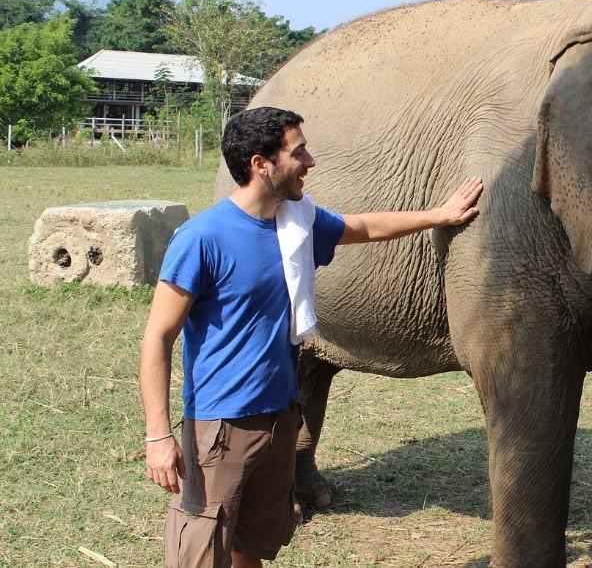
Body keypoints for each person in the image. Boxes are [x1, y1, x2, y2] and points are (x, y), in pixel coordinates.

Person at [139, 106, 483, 568]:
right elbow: (158, 336)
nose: (311, 161)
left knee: (252, 545)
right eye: (298, 152)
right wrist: (159, 436)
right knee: (200, 553)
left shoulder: (296, 222)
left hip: (282, 417)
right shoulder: (202, 238)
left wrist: (438, 215)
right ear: (262, 165)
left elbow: (362, 227)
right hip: (221, 427)